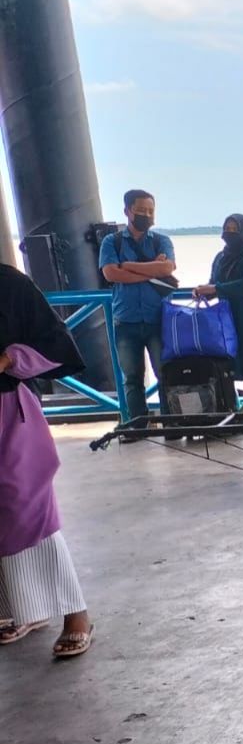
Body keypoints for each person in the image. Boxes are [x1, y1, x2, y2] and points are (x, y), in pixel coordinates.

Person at [0, 264, 94, 659]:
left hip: (8, 411)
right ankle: (22, 609)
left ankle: (77, 614)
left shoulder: (9, 284)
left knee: (26, 508)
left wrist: (7, 358)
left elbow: (57, 345)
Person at [98, 189, 176, 424]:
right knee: (132, 377)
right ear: (127, 211)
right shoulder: (112, 241)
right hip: (126, 319)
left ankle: (172, 423)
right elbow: (111, 273)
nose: (147, 215)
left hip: (158, 318)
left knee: (165, 373)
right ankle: (138, 425)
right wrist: (151, 269)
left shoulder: (162, 240)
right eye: (141, 210)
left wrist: (129, 266)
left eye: (151, 211)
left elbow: (167, 269)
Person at [194, 213, 243, 393]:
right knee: (225, 370)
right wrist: (202, 291)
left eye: (235, 230)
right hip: (226, 321)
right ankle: (232, 413)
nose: (230, 233)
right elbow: (214, 282)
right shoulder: (221, 258)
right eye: (227, 229)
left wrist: (215, 289)